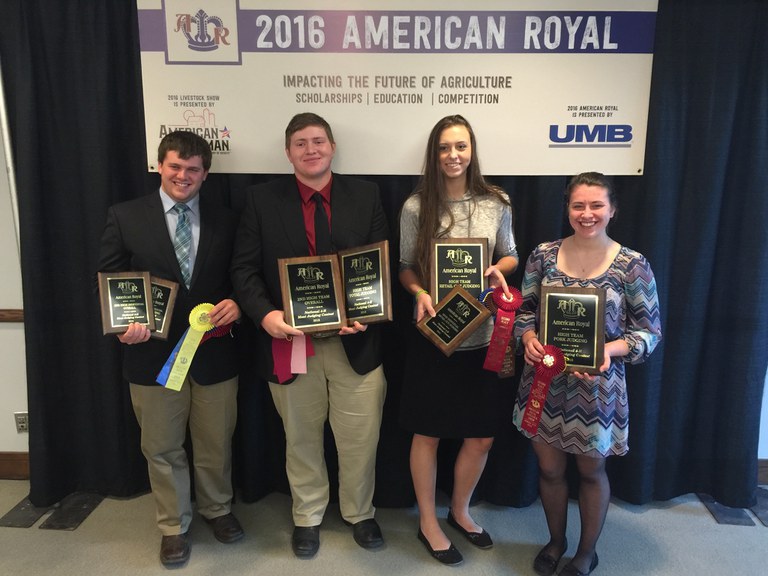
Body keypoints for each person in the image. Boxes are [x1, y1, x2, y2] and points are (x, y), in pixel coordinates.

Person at [230, 112, 388, 558]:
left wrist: (363, 313)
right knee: (300, 436)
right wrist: (266, 316)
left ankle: (360, 511)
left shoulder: (366, 195)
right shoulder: (261, 200)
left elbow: (376, 264)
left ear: (333, 146)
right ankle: (308, 514)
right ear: (288, 152)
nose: (311, 149)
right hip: (289, 342)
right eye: (300, 143)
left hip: (354, 342)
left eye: (318, 141)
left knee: (360, 436)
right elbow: (243, 269)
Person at [97, 131, 244, 566]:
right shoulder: (125, 216)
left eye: (193, 169)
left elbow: (243, 274)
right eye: (176, 166)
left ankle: (217, 508)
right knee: (161, 446)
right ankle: (173, 524)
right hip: (150, 355)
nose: (184, 176)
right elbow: (109, 280)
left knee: (216, 440)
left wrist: (238, 303)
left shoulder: (228, 219)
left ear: (205, 174)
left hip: (216, 352)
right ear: (159, 166)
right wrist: (123, 326)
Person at [513, 172, 662, 576]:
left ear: (613, 209)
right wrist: (527, 337)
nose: (587, 214)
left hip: (598, 390)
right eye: (578, 205)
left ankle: (586, 551)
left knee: (591, 471)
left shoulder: (633, 265)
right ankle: (556, 541)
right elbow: (523, 312)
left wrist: (607, 350)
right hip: (544, 384)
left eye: (596, 205)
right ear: (567, 209)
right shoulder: (542, 255)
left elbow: (649, 334)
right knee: (548, 469)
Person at [398, 114, 519, 566]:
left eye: (461, 147)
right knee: (427, 433)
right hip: (437, 336)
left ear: (472, 151)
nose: (453, 155)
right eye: (445, 147)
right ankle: (428, 520)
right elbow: (406, 265)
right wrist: (419, 291)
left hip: (486, 335)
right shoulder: (415, 207)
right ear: (434, 153)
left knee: (481, 436)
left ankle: (461, 511)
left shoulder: (497, 201)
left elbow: (510, 254)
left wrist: (496, 270)